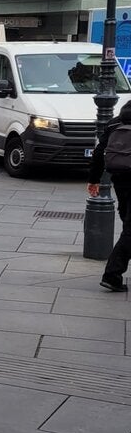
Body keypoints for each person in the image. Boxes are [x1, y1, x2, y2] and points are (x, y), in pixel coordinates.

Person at [88, 100, 131, 292]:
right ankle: (112, 275)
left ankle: (114, 273)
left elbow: (98, 152)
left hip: (120, 180)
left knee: (128, 226)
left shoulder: (115, 122)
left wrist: (94, 179)